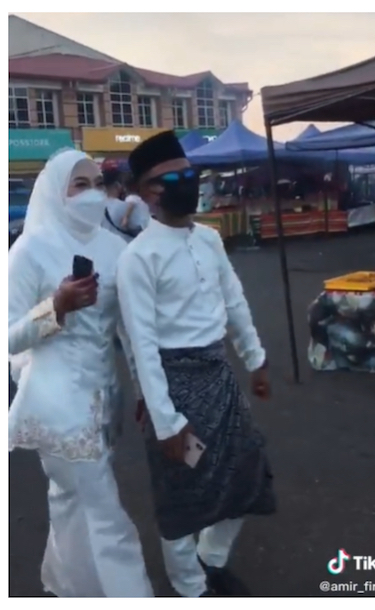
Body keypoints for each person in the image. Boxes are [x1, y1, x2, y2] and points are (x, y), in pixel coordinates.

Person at [116, 131, 277, 598]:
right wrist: (166, 422)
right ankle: (190, 587)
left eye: (193, 173)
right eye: (179, 177)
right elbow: (142, 345)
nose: (191, 182)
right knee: (183, 492)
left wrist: (256, 358)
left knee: (248, 473)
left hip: (221, 380)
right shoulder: (137, 259)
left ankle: (213, 558)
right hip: (175, 390)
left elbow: (234, 300)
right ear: (150, 192)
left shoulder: (208, 239)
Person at [8, 149, 153, 597]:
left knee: (72, 503)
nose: (92, 194)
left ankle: (65, 584)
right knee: (103, 513)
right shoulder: (30, 250)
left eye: (98, 184)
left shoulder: (116, 248)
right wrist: (57, 307)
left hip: (105, 401)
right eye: (79, 184)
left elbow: (131, 330)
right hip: (57, 404)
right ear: (56, 191)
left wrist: (146, 388)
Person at [102, 168, 151, 242]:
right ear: (117, 185)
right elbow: (146, 226)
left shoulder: (95, 207)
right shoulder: (124, 207)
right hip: (124, 247)